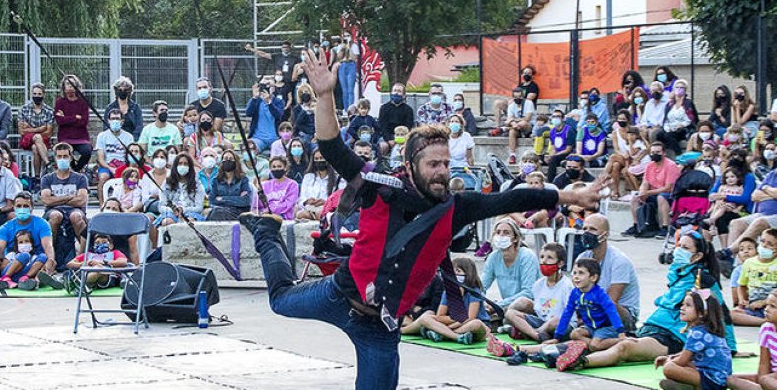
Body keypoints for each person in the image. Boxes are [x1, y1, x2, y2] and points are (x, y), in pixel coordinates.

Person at [238, 49, 605, 390]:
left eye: (446, 164)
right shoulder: (379, 186)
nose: (442, 172)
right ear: (411, 165)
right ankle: (267, 231)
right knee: (280, 300)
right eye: (434, 164)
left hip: (379, 327)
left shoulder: (456, 206)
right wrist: (324, 96)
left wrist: (571, 195)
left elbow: (514, 197)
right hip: (339, 296)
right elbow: (333, 148)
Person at [551, 230, 736, 373]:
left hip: (671, 337)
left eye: (686, 248)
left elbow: (721, 312)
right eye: (679, 245)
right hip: (650, 328)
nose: (678, 250)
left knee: (624, 347)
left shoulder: (702, 279)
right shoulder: (678, 275)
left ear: (697, 257)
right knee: (581, 335)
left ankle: (581, 361)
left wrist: (731, 347)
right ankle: (543, 352)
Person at [726, 146, 777, 252]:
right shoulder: (772, 174)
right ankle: (733, 261)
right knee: (736, 223)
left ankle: (729, 251)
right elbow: (755, 196)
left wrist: (766, 189)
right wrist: (776, 194)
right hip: (764, 215)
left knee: (760, 222)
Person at [655, 290, 733, 390]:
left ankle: (698, 387)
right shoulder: (705, 329)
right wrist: (671, 357)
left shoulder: (698, 333)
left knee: (669, 368)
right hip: (718, 378)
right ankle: (687, 386)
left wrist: (669, 361)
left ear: (701, 313)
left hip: (712, 380)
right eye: (683, 304)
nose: (682, 308)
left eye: (688, 305)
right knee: (681, 364)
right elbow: (686, 354)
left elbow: (682, 361)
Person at [0, 192, 54, 290]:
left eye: (26, 206)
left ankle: (33, 280)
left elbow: (48, 245)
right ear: (13, 207)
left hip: (34, 266)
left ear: (31, 208)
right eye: (19, 206)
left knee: (45, 258)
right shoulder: (6, 227)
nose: (22, 209)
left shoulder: (42, 224)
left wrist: (51, 260)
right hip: (12, 265)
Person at [402, 258, 490, 345]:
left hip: (470, 325)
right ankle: (456, 336)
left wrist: (449, 326)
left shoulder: (474, 291)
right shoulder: (448, 290)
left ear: (468, 273)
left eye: (458, 271)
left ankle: (443, 333)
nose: (454, 274)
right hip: (455, 323)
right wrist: (454, 319)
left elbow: (470, 318)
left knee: (476, 324)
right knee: (426, 317)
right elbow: (440, 316)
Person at [578, 213, 641, 329]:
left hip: (622, 315)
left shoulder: (619, 261)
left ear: (605, 235)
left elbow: (610, 301)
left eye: (593, 229)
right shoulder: (582, 257)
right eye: (584, 229)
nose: (587, 233)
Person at [498, 242, 571, 342]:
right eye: (541, 257)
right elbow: (538, 311)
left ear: (560, 263)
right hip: (542, 321)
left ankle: (528, 332)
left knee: (555, 321)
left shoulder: (566, 285)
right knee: (510, 313)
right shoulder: (538, 284)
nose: (544, 261)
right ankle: (536, 335)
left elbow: (570, 313)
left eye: (549, 258)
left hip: (560, 324)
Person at [480, 218, 539, 317]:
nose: (501, 236)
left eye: (506, 232)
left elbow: (528, 293)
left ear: (515, 238)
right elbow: (481, 286)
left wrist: (498, 305)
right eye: (498, 232)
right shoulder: (493, 257)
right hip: (507, 305)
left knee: (521, 303)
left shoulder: (527, 256)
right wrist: (481, 302)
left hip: (531, 305)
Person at [732, 229, 777, 326]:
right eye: (762, 241)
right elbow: (741, 285)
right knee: (731, 315)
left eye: (770, 244)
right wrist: (742, 300)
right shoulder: (749, 263)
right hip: (752, 306)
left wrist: (764, 302)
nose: (764, 245)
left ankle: (768, 320)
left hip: (772, 306)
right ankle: (765, 322)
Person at [39, 144, 89, 249]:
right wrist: (68, 197)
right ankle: (50, 251)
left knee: (76, 217)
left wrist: (56, 199)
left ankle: (85, 252)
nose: (62, 159)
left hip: (76, 210)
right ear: (55, 158)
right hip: (53, 211)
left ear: (71, 157)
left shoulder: (81, 178)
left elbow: (81, 201)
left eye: (65, 156)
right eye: (59, 156)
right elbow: (46, 201)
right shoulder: (47, 179)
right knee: (55, 216)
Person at [625, 142, 680, 237]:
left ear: (664, 153)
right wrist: (642, 192)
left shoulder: (671, 165)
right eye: (653, 152)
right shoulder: (649, 165)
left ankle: (665, 227)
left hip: (669, 194)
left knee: (661, 197)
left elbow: (668, 188)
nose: (655, 154)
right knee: (635, 198)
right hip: (653, 193)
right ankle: (637, 226)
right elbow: (645, 183)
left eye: (658, 152)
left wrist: (648, 193)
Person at [52, 75, 92, 171]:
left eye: (73, 84)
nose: (70, 86)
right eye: (68, 84)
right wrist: (75, 117)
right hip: (65, 138)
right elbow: (60, 121)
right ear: (63, 87)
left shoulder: (83, 102)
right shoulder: (59, 102)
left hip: (81, 138)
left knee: (87, 151)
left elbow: (84, 122)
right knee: (64, 152)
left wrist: (66, 118)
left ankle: (76, 170)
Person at [18, 82, 55, 175]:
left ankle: (37, 178)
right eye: (34, 94)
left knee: (35, 148)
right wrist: (40, 129)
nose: (37, 96)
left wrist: (30, 129)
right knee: (38, 137)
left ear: (44, 95)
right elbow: (22, 131)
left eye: (39, 94)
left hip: (44, 141)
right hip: (26, 140)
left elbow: (49, 133)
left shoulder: (49, 111)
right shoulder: (23, 109)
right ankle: (48, 163)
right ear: (31, 94)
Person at [208, 151, 253, 220]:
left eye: (231, 158)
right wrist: (236, 199)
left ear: (236, 162)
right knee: (215, 212)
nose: (228, 160)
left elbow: (246, 201)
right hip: (220, 210)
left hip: (238, 212)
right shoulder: (216, 180)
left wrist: (222, 199)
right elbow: (212, 200)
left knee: (216, 213)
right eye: (225, 158)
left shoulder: (243, 180)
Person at [297, 150, 341, 221]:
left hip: (328, 209)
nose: (319, 161)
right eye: (316, 159)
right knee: (300, 214)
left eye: (321, 158)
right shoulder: (308, 177)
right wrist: (307, 201)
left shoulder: (337, 178)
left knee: (319, 213)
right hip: (310, 208)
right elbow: (302, 198)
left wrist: (325, 202)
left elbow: (339, 200)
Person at [377, 83, 414, 158]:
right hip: (387, 137)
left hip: (403, 137)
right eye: (394, 90)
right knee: (383, 146)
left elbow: (408, 127)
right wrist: (389, 139)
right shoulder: (384, 108)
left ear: (404, 95)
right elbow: (382, 126)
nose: (396, 93)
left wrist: (400, 139)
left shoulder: (408, 110)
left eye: (399, 91)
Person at [244, 83, 284, 152]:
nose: (266, 89)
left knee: (281, 151)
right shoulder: (256, 101)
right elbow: (248, 113)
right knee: (249, 148)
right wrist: (254, 98)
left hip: (275, 138)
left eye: (269, 86)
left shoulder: (278, 101)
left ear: (273, 88)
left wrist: (269, 102)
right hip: (258, 138)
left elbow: (278, 115)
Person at [503, 87, 536, 162]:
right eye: (516, 97)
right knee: (512, 131)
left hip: (528, 126)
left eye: (519, 96)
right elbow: (509, 118)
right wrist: (514, 123)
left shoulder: (529, 103)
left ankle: (503, 129)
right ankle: (512, 154)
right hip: (516, 128)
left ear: (523, 96)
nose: (518, 98)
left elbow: (527, 118)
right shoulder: (511, 106)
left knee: (523, 123)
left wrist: (513, 121)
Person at [544, 108, 575, 181]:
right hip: (557, 154)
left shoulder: (569, 130)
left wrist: (554, 156)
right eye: (553, 116)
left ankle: (550, 181)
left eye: (558, 116)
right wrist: (549, 155)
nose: (555, 118)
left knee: (553, 160)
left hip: (567, 154)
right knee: (540, 158)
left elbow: (568, 149)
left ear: (563, 118)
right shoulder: (552, 131)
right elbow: (553, 147)